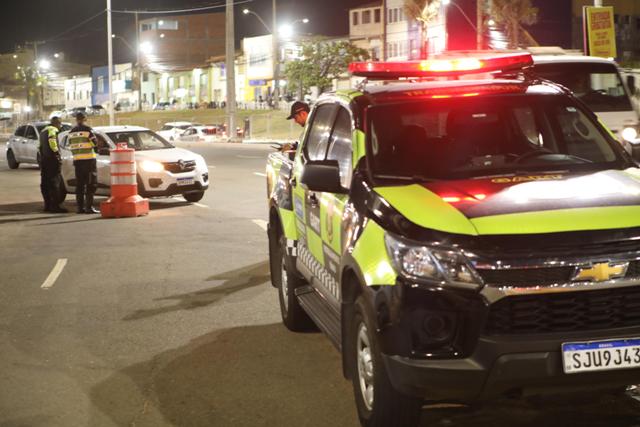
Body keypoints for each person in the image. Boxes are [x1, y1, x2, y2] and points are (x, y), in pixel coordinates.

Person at [68, 112, 99, 214]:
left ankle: (80, 208)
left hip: (77, 162)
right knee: (91, 184)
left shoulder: (71, 132)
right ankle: (89, 208)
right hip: (89, 161)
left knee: (80, 185)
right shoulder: (88, 130)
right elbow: (94, 143)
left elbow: (70, 145)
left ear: (76, 120)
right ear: (85, 119)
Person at [39, 116, 68, 213]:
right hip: (52, 160)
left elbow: (39, 146)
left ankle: (47, 205)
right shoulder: (53, 130)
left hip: (44, 160)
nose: (60, 126)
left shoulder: (43, 131)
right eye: (60, 124)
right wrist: (57, 153)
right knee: (55, 183)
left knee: (45, 183)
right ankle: (55, 206)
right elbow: (52, 141)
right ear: (57, 123)